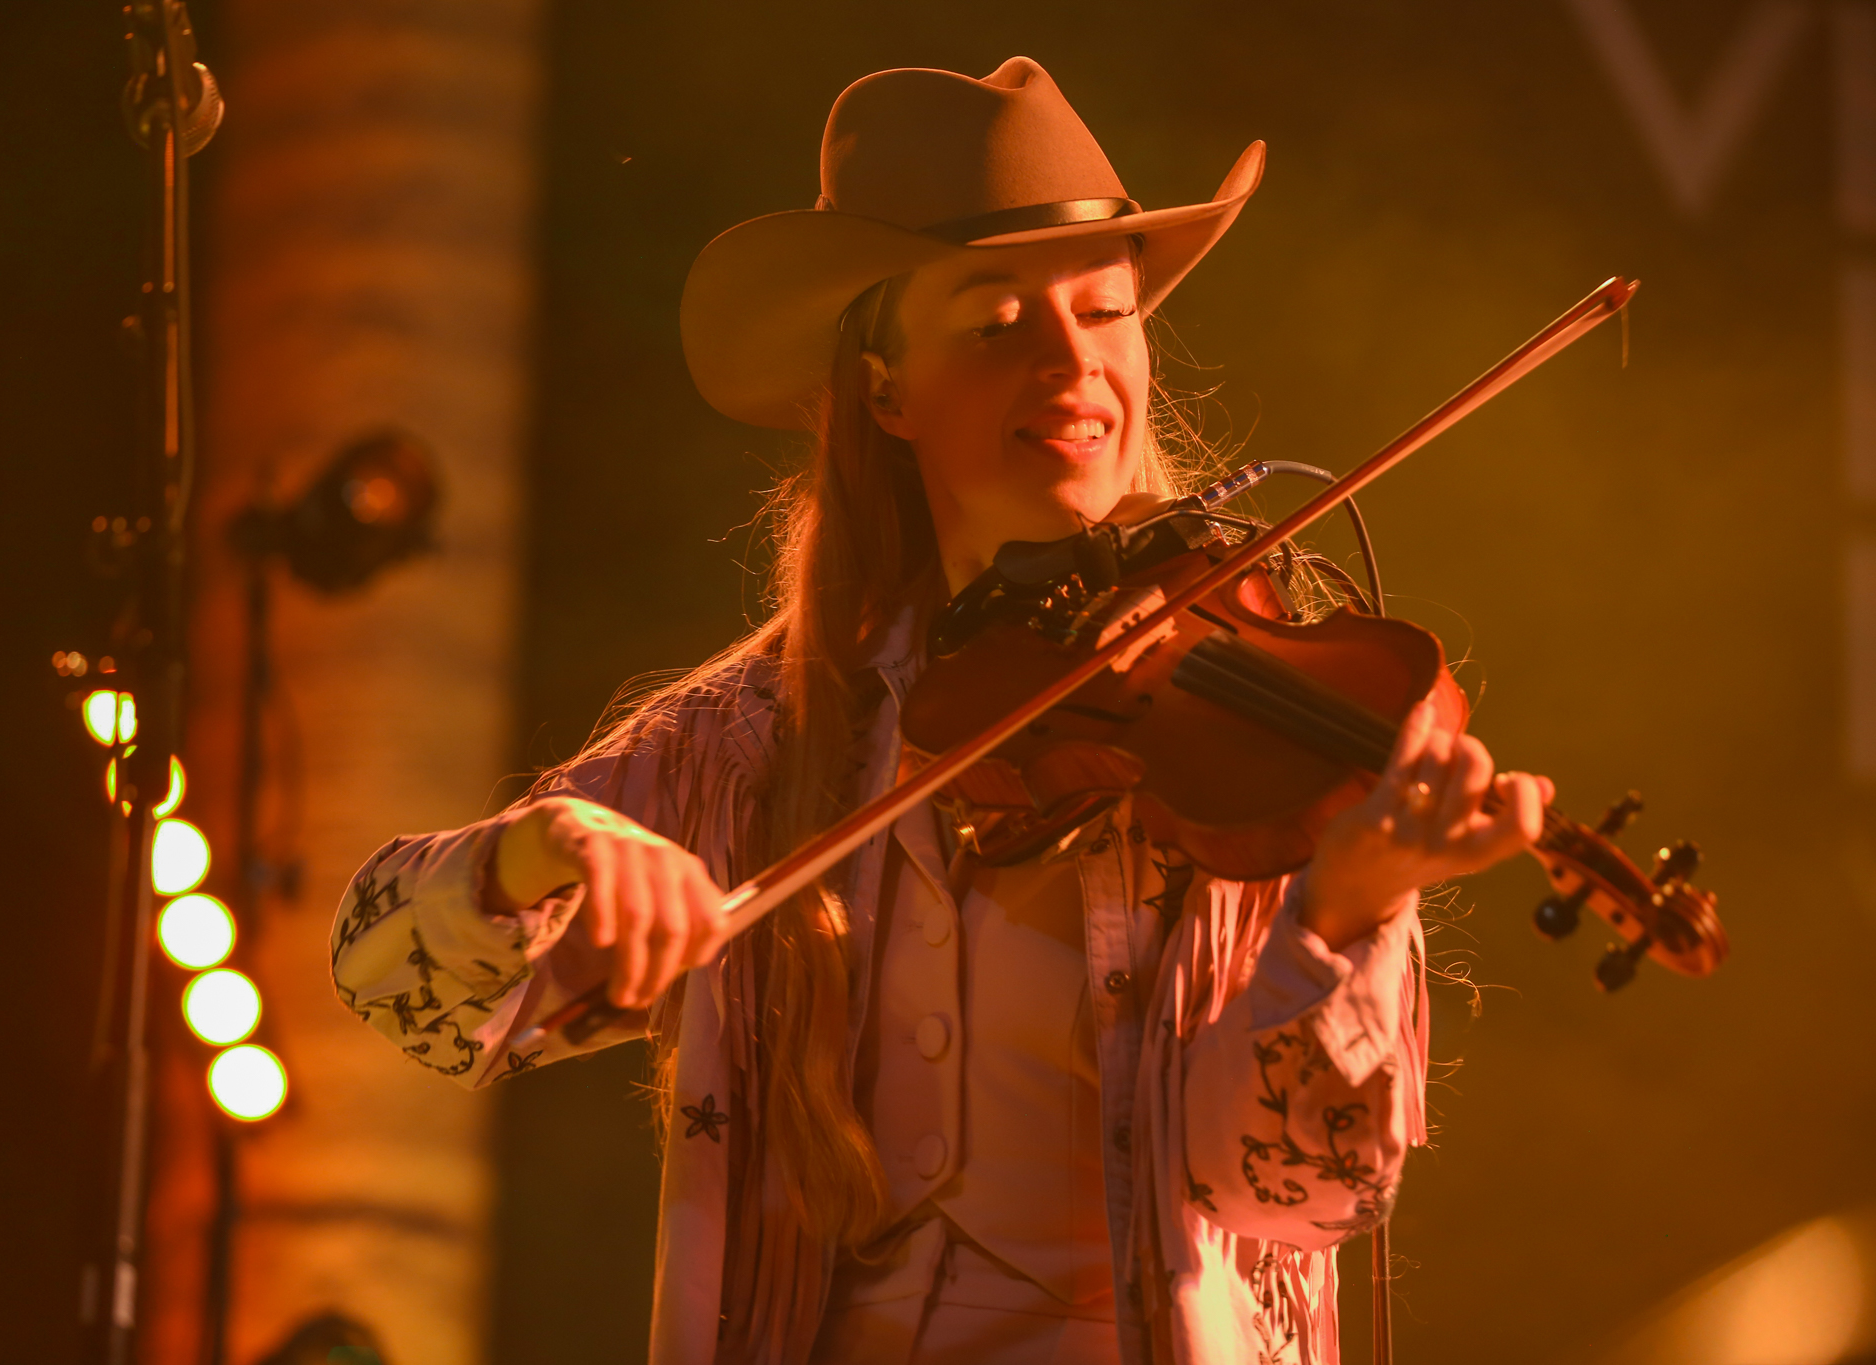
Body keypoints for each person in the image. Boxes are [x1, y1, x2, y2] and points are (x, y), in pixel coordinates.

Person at [330, 57, 1550, 1365]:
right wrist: (546, 847)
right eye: (996, 320)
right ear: (887, 390)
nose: (1071, 361)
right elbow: (401, 991)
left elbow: (1297, 1195)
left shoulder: (1264, 711)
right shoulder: (753, 739)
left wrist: (1348, 915)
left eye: (1105, 310)